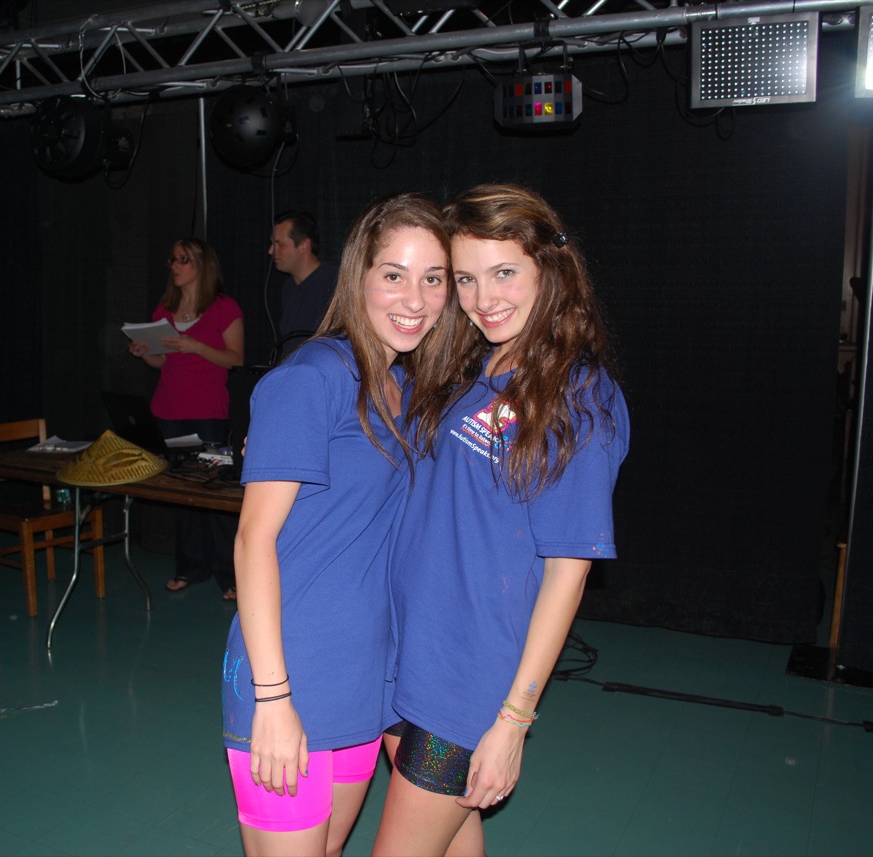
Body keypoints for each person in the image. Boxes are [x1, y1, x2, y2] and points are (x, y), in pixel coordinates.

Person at [373, 184, 631, 856]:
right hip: (407, 650)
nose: (483, 297)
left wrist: (513, 720)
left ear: (551, 268)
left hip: (465, 679)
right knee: (455, 835)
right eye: (465, 278)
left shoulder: (579, 398)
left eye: (504, 272)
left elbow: (568, 574)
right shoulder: (473, 364)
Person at [222, 192, 459, 857]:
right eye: (394, 274)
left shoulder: (405, 390)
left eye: (433, 278)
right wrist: (274, 699)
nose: (414, 299)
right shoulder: (313, 377)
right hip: (290, 666)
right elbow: (253, 539)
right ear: (359, 276)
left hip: (364, 675)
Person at [129, 238, 245, 600]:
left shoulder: (224, 308)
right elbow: (163, 362)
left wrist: (196, 346)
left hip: (208, 414)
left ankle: (229, 575)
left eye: (183, 260)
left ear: (201, 265)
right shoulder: (165, 309)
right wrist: (145, 353)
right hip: (168, 412)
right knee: (183, 494)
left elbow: (236, 359)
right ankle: (190, 567)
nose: (175, 266)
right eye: (173, 260)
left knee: (215, 493)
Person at [269, 210, 338, 357]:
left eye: (279, 244)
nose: (271, 251)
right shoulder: (288, 287)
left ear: (304, 245)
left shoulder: (334, 282)